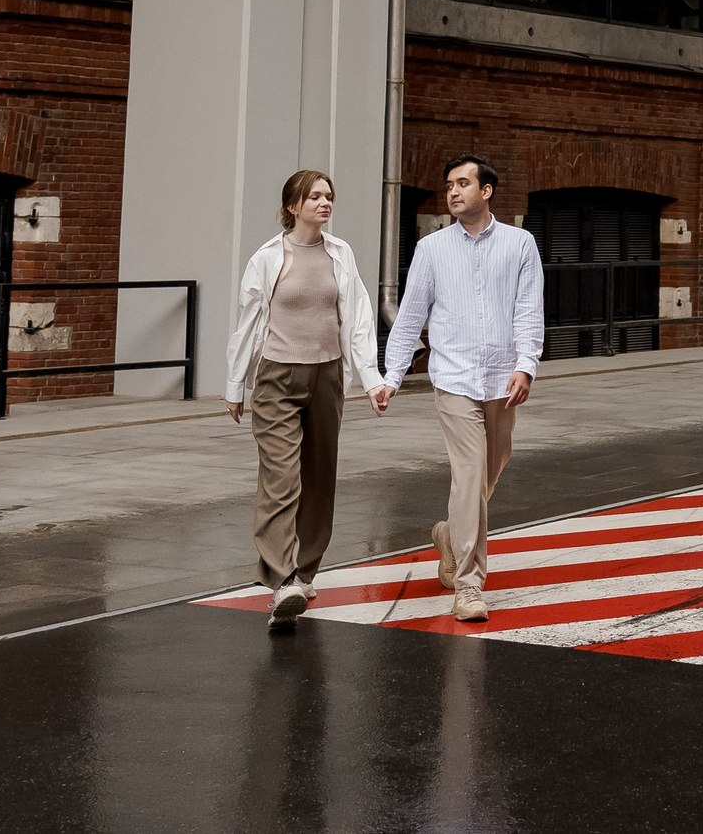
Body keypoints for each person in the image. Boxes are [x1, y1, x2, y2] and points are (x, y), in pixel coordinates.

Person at [225, 169, 393, 631]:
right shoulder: (267, 258)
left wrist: (372, 379)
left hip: (327, 377)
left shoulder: (340, 254)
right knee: (281, 477)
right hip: (276, 377)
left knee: (320, 476)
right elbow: (248, 322)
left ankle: (306, 570)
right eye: (314, 196)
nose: (325, 202)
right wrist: (235, 384)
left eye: (328, 196)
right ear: (292, 206)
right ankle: (283, 579)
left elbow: (357, 319)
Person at [383, 153, 543, 623]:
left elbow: (529, 310)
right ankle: (470, 586)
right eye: (449, 185)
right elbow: (410, 315)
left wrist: (527, 365)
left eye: (462, 184)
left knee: (493, 466)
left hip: (502, 378)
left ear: (486, 191)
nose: (453, 192)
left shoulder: (520, 244)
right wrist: (391, 376)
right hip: (453, 378)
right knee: (470, 475)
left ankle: (450, 535)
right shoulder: (432, 250)